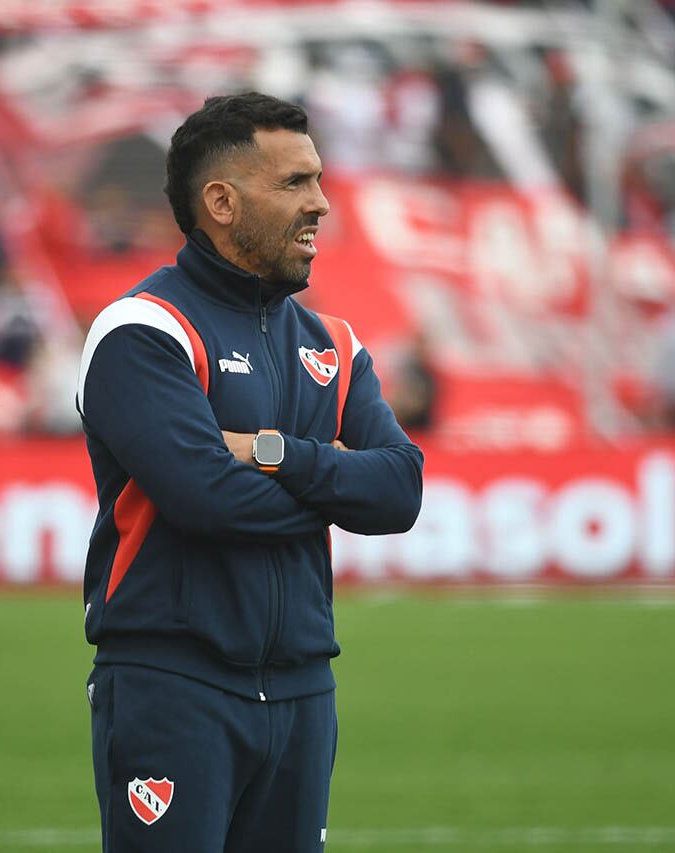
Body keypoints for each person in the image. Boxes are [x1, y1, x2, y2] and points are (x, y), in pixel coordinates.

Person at [76, 93, 423, 851]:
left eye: (319, 180)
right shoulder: (143, 330)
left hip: (303, 692)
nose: (321, 204)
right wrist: (335, 485)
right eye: (295, 183)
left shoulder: (336, 343)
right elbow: (209, 500)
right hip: (173, 688)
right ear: (222, 203)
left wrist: (276, 453)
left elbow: (400, 489)